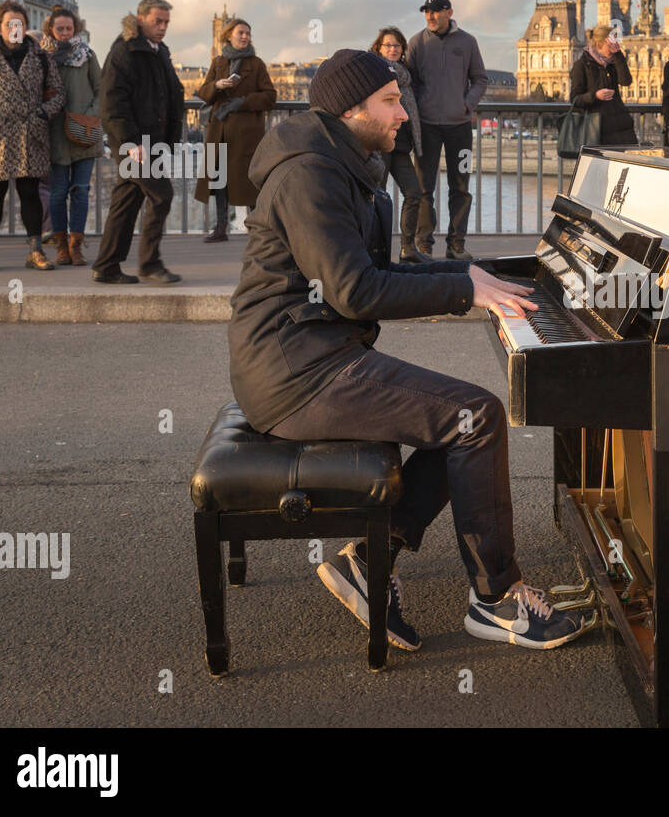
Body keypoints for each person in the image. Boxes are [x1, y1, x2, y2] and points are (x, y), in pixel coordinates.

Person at [228, 48, 591, 652]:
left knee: (459, 417)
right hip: (296, 373)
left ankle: (371, 560)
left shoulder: (338, 161)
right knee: (475, 418)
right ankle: (497, 599)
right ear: (352, 109)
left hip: (311, 356)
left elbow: (376, 270)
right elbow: (353, 290)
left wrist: (469, 272)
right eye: (391, 102)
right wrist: (462, 290)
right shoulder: (308, 175)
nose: (404, 114)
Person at [0, 0, 66, 272]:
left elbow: (58, 92)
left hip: (28, 133)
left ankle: (35, 252)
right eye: (10, 23)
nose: (15, 28)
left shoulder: (41, 57)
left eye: (19, 24)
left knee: (30, 193)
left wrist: (44, 113)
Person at [93, 0, 185, 284]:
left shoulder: (158, 50)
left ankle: (106, 266)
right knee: (162, 195)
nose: (163, 27)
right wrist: (131, 143)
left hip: (151, 142)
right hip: (135, 145)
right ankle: (150, 263)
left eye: (166, 22)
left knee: (126, 201)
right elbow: (112, 103)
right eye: (158, 21)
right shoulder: (125, 51)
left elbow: (169, 94)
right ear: (141, 18)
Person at [406, 0, 488, 261]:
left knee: (461, 186)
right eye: (426, 12)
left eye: (435, 12)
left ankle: (456, 245)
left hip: (460, 128)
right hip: (426, 127)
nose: (430, 16)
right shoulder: (416, 43)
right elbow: (410, 82)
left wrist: (467, 104)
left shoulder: (468, 42)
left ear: (449, 12)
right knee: (423, 187)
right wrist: (418, 108)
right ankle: (424, 245)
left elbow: (480, 79)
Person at [193, 17, 276, 243]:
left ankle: (258, 229)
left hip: (246, 134)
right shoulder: (219, 62)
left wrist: (242, 102)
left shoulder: (256, 64)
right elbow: (203, 92)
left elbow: (270, 96)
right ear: (228, 35)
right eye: (241, 32)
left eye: (248, 33)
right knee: (219, 180)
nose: (245, 36)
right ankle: (221, 228)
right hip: (219, 131)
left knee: (249, 181)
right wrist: (217, 86)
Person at [41, 7, 102, 266]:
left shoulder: (87, 55)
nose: (65, 34)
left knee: (81, 191)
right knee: (57, 193)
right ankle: (61, 246)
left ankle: (76, 245)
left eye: (69, 29)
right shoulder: (43, 57)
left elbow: (102, 89)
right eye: (60, 29)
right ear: (51, 30)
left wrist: (90, 114)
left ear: (75, 29)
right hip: (55, 133)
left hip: (84, 132)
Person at [370, 26, 427, 261]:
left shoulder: (405, 75)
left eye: (396, 45)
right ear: (379, 48)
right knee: (376, 197)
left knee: (414, 193)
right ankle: (374, 250)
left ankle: (408, 248)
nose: (392, 49)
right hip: (380, 142)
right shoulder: (373, 72)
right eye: (388, 45)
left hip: (401, 144)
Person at [569, 24, 637, 147]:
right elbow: (575, 99)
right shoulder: (582, 65)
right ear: (600, 44)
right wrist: (595, 96)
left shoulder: (613, 63)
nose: (615, 45)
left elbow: (626, 81)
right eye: (611, 42)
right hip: (597, 131)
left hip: (621, 128)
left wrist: (618, 55)